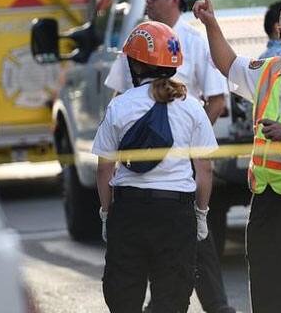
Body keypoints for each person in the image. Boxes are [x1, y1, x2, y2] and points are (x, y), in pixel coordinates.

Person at [104, 0, 235, 313]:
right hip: (166, 189)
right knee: (173, 271)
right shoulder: (138, 42)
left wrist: (184, 145)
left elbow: (218, 101)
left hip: (165, 179)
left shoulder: (193, 42)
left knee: (185, 254)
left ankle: (218, 306)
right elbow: (121, 98)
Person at [193, 0, 281, 313]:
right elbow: (228, 64)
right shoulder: (269, 70)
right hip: (266, 197)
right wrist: (211, 24)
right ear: (279, 32)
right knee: (266, 286)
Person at [93, 21, 217, 312]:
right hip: (176, 214)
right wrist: (201, 214)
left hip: (130, 211)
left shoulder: (120, 106)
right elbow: (204, 170)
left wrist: (107, 213)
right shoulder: (191, 107)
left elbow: (104, 170)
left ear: (136, 65)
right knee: (172, 299)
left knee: (123, 295)